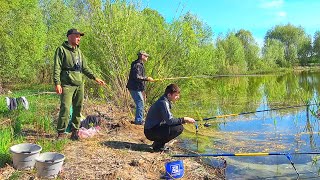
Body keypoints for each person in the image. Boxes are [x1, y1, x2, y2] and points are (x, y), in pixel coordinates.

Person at [53, 28, 106, 140]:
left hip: (79, 84)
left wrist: (95, 77)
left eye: (80, 36)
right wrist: (57, 83)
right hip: (67, 84)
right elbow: (57, 67)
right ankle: (61, 133)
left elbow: (85, 68)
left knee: (78, 108)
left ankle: (75, 132)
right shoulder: (61, 50)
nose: (79, 38)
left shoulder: (79, 52)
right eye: (77, 36)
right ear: (69, 36)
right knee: (66, 108)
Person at [144, 84, 195, 152]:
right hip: (150, 131)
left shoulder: (164, 100)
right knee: (179, 128)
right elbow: (170, 121)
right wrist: (184, 119)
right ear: (169, 95)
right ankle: (158, 146)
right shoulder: (163, 103)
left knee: (177, 125)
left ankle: (157, 144)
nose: (178, 97)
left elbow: (168, 119)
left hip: (152, 129)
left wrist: (181, 121)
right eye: (176, 95)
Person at [126, 50, 155, 125]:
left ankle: (139, 119)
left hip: (136, 88)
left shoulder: (139, 64)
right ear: (142, 56)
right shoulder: (137, 65)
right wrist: (147, 78)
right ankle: (139, 121)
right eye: (146, 56)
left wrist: (143, 90)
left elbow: (138, 77)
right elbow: (137, 77)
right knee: (140, 102)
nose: (147, 57)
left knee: (141, 102)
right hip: (134, 88)